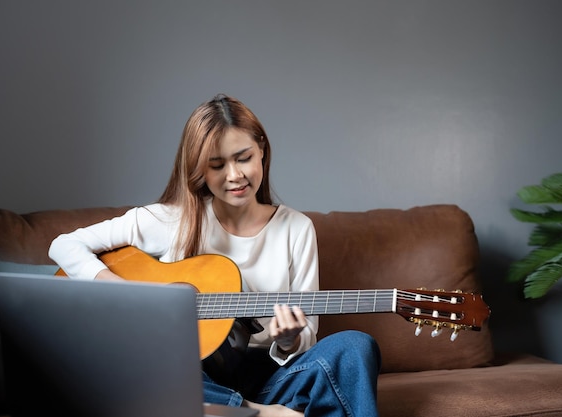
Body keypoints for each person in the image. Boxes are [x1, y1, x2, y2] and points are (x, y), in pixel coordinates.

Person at [48, 93, 381, 417]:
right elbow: (63, 246)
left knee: (356, 347)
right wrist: (129, 294)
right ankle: (256, 413)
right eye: (217, 165)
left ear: (261, 149)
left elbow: (308, 334)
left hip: (268, 378)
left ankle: (237, 408)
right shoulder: (170, 219)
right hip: (191, 377)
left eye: (244, 157)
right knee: (138, 360)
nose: (234, 175)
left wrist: (290, 340)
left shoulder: (297, 228)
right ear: (199, 169)